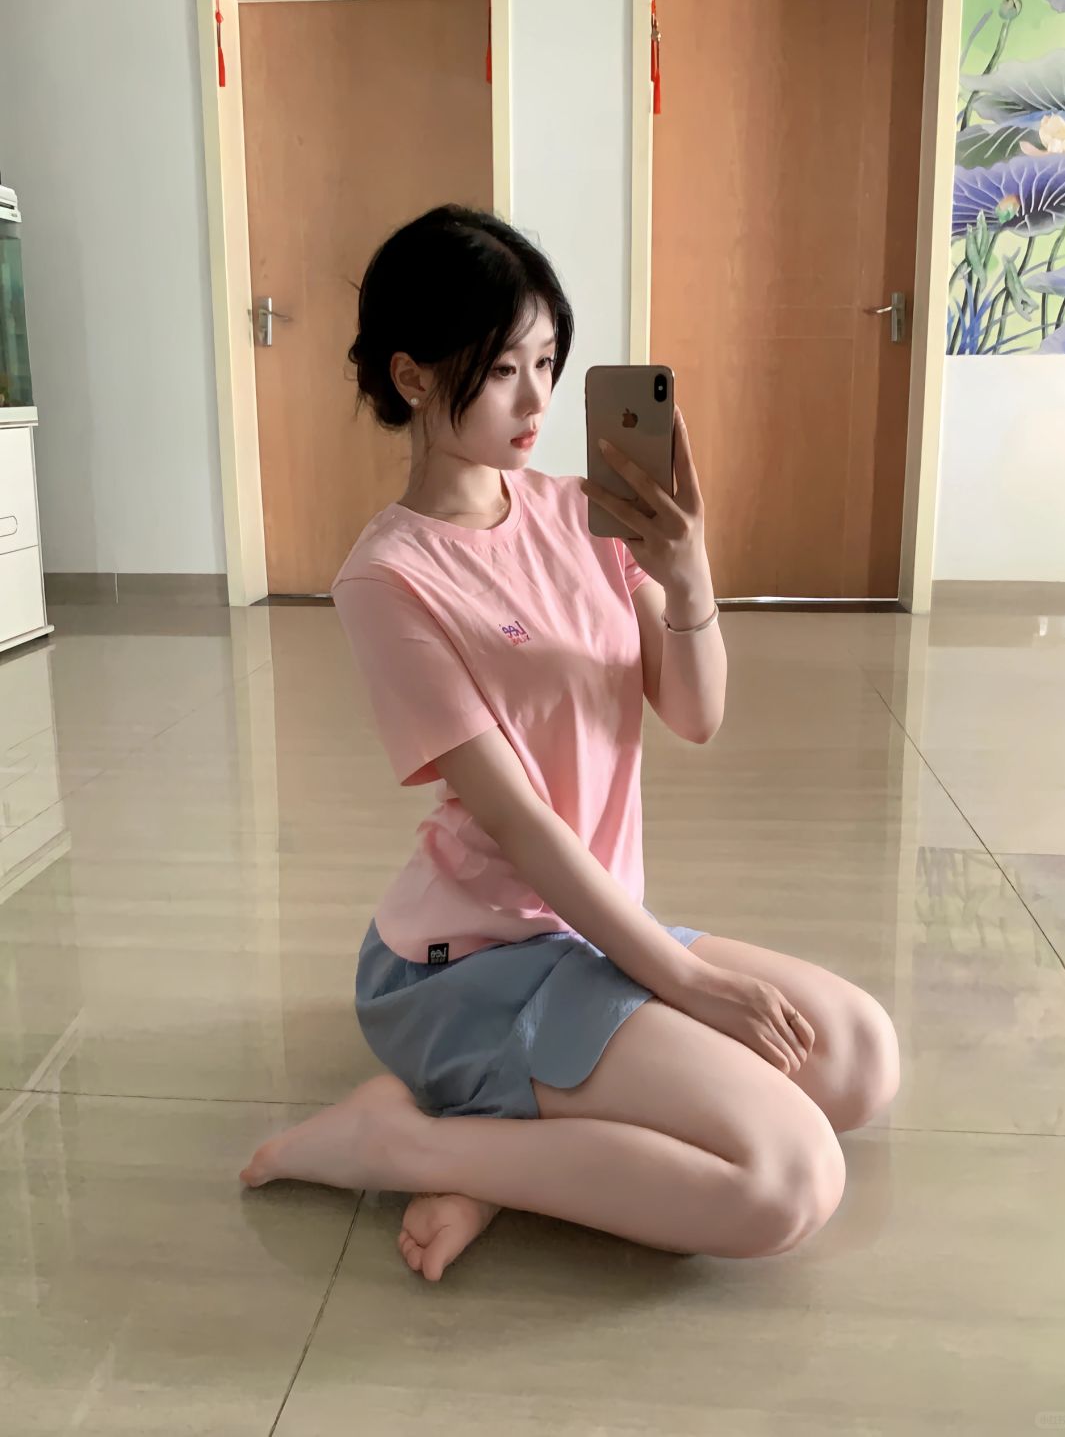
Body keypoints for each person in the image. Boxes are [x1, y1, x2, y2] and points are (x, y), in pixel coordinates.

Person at [241, 205, 900, 1281]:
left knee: (860, 1060)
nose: (537, 400)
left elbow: (694, 713)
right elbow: (521, 826)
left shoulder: (578, 511)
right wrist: (687, 981)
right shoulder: (388, 576)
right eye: (503, 369)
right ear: (413, 375)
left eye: (548, 362)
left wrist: (689, 576)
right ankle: (400, 1143)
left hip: (592, 927)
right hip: (466, 962)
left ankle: (499, 1158)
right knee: (790, 1180)